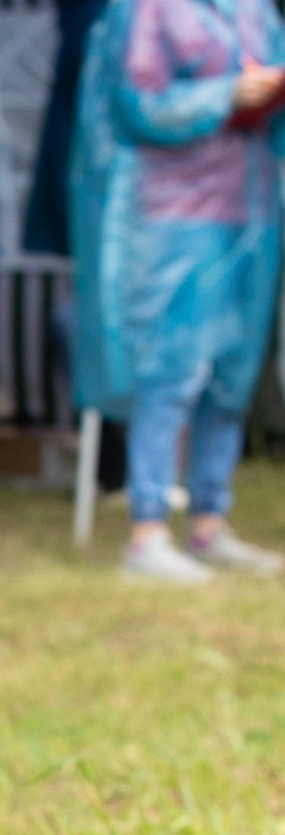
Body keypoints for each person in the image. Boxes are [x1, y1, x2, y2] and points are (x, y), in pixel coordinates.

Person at [71, 0, 285, 582]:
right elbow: (137, 106)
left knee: (231, 372)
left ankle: (210, 522)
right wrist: (224, 97)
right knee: (170, 369)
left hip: (251, 207)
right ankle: (147, 531)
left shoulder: (257, 12)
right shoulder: (147, 8)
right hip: (172, 213)